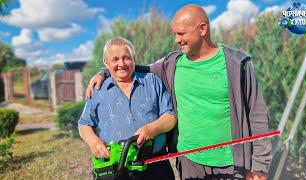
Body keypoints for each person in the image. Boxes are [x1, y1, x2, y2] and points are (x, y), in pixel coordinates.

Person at [86, 4, 271, 180]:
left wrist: (259, 166)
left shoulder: (237, 64)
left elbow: (257, 115)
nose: (177, 39)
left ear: (203, 29)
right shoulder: (172, 64)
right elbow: (131, 68)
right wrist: (104, 72)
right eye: (175, 34)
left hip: (231, 163)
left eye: (181, 33)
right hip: (189, 162)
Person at [78, 38, 176, 180]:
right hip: (115, 168)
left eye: (126, 58)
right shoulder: (98, 89)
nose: (121, 64)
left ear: (133, 59)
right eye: (115, 59)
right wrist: (94, 142)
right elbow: (84, 123)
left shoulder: (152, 81)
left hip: (154, 163)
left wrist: (152, 129)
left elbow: (170, 116)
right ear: (106, 63)